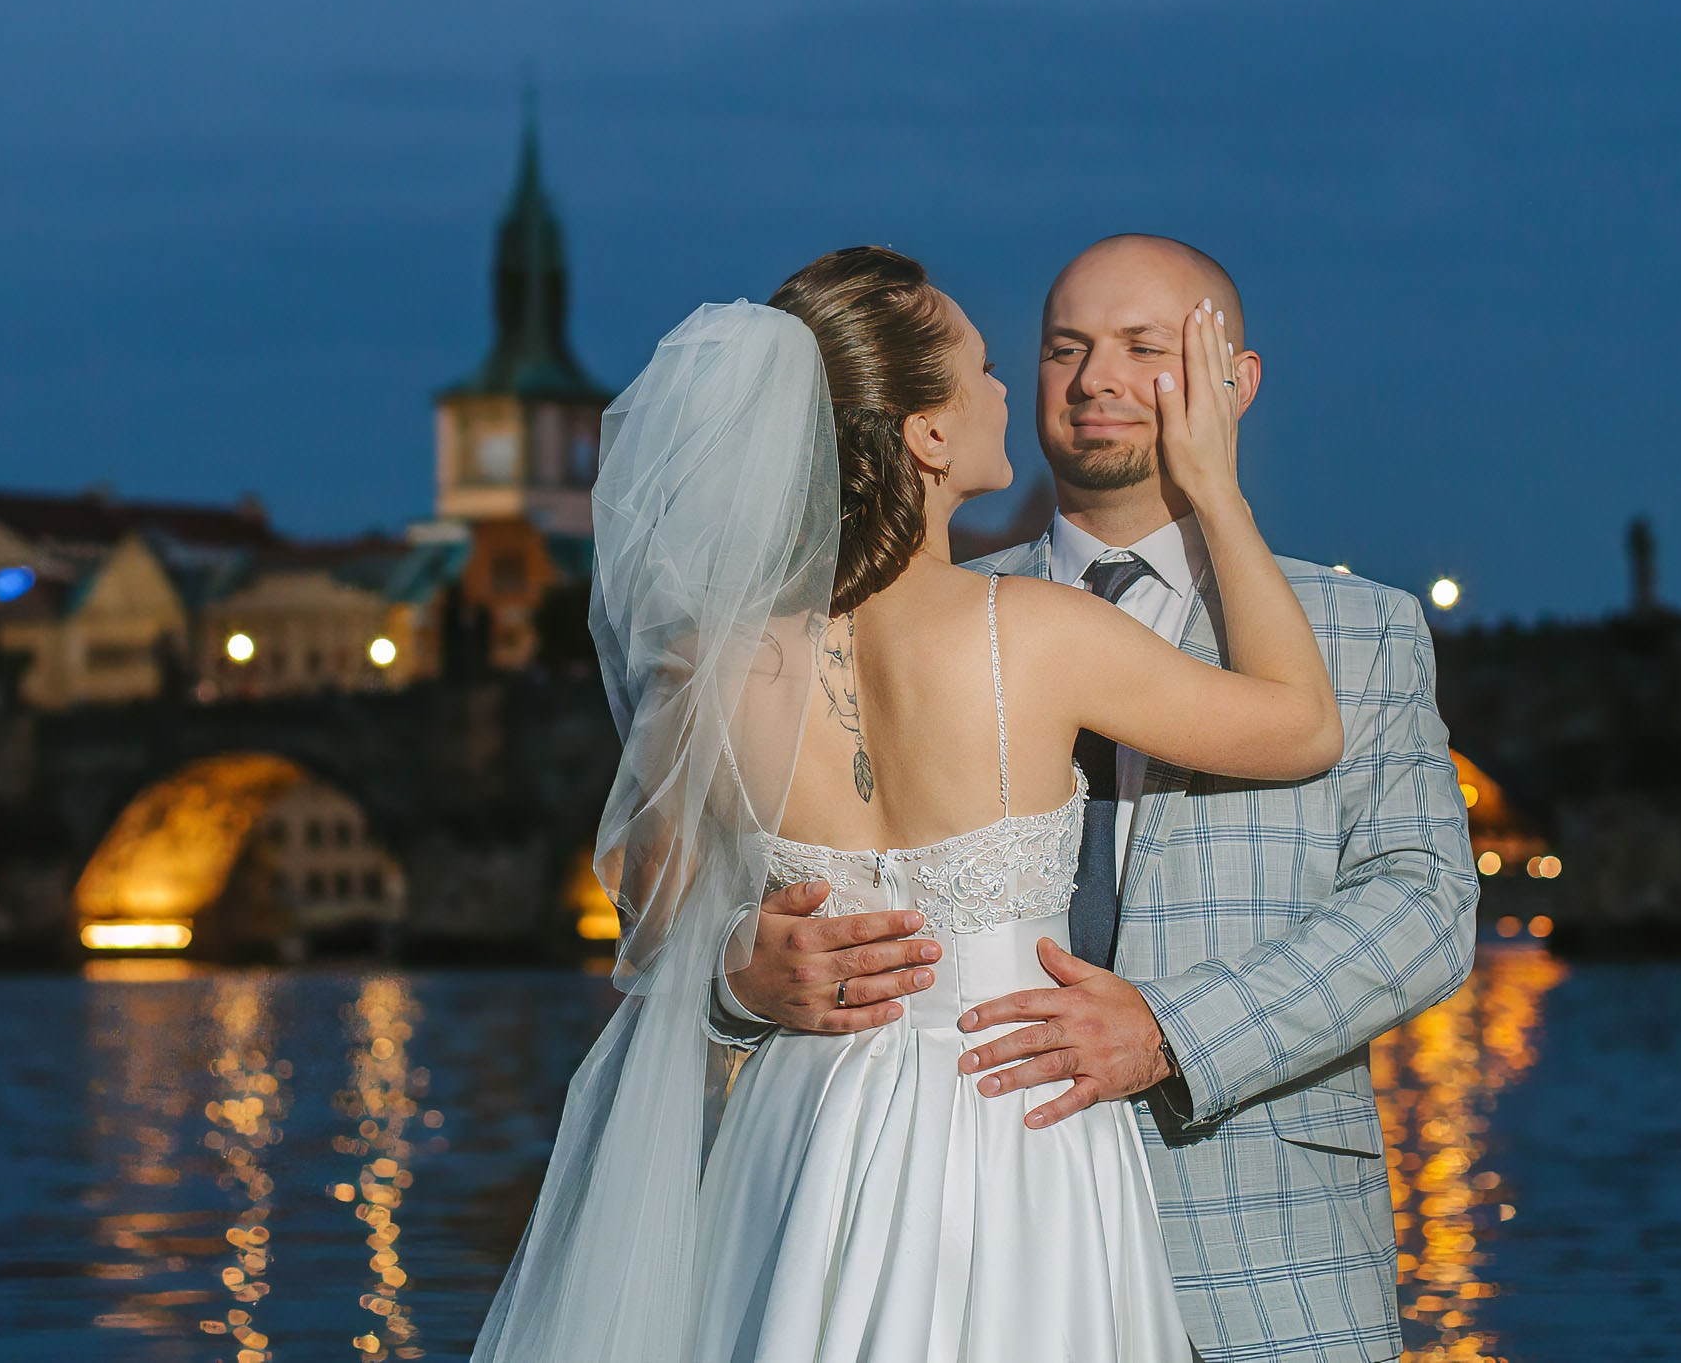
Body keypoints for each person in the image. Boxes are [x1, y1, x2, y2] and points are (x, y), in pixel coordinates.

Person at [474, 242, 1385, 1363]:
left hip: (803, 1131)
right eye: (988, 366)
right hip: (1011, 1124)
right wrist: (1214, 486)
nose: (1013, 388)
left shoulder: (702, 668)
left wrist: (740, 973)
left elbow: (652, 933)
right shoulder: (1035, 631)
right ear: (928, 432)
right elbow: (1302, 724)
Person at [714, 235, 1481, 1363]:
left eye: (1144, 348)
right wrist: (744, 972)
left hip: (1265, 1250)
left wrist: (1173, 1030)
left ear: (1238, 381)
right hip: (955, 1237)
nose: (1094, 380)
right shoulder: (912, 614)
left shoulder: (1357, 631)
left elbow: (1423, 906)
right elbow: (711, 908)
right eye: (1061, 348)